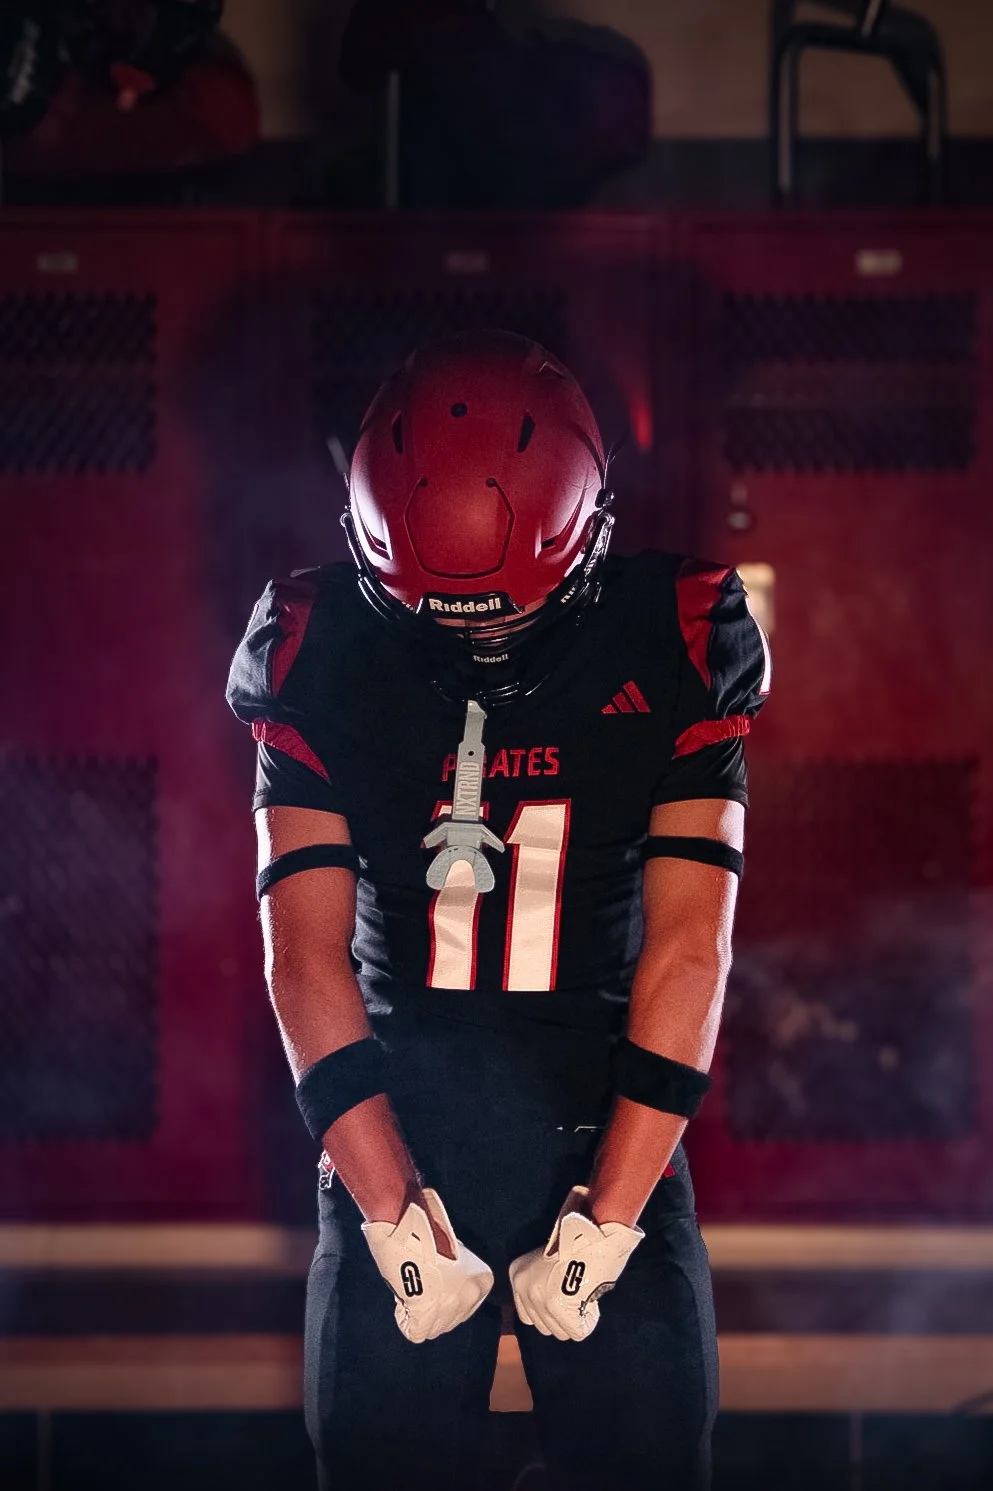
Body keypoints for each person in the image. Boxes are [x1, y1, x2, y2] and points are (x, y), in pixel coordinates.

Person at [226, 330, 771, 1491]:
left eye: (505, 616)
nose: (475, 638)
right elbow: (304, 961)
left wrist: (605, 1229)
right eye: (442, 614)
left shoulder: (679, 631)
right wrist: (391, 1220)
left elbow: (690, 949)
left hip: (611, 1121)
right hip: (395, 1122)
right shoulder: (314, 644)